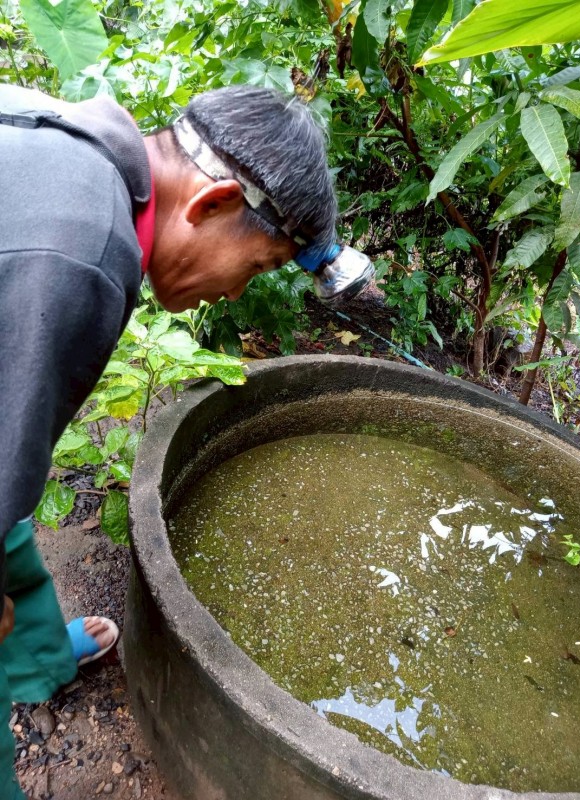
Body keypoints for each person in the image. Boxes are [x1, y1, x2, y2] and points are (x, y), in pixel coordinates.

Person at [0, 82, 337, 799]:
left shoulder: (84, 148)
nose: (239, 294)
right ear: (212, 203)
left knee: (13, 525)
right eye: (259, 266)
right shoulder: (83, 257)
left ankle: (35, 660)